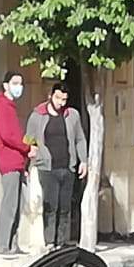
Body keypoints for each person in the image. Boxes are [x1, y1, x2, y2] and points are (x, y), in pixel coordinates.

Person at [26, 82, 88, 250]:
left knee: (65, 207)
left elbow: (80, 139)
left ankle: (61, 242)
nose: (61, 103)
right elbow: (28, 139)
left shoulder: (72, 115)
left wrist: (83, 160)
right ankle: (49, 242)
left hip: (67, 167)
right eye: (58, 98)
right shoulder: (37, 116)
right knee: (50, 206)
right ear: (50, 96)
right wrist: (30, 156)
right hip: (47, 168)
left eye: (64, 99)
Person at [0, 71, 35, 257]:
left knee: (18, 205)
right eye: (15, 83)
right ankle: (3, 245)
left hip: (17, 162)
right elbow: (8, 136)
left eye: (21, 83)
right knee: (9, 204)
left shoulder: (10, 107)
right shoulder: (3, 106)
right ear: (6, 85)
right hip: (9, 162)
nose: (19, 87)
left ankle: (13, 244)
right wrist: (27, 148)